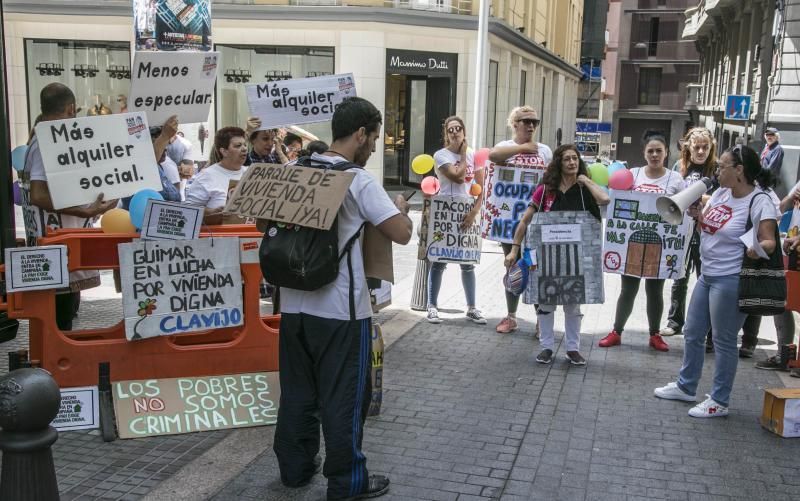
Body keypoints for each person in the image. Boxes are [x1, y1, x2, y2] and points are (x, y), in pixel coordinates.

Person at [272, 97, 412, 500]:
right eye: (373, 140)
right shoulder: (359, 180)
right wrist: (399, 207)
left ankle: (295, 470)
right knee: (344, 398)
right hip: (341, 311)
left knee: (298, 393)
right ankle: (348, 480)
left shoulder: (296, 168)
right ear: (360, 134)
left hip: (295, 306)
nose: (373, 149)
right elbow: (401, 232)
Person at [655, 144, 780, 417]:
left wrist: (757, 249)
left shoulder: (760, 201)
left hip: (731, 279)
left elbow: (769, 240)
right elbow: (710, 228)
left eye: (722, 167)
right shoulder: (722, 193)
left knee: (723, 341)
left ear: (739, 170)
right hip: (708, 275)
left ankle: (719, 401)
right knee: (692, 332)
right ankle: (686, 387)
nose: (717, 171)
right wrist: (698, 216)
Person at [22, 83, 117, 330]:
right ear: (71, 109)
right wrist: (84, 211)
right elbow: (38, 195)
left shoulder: (42, 138)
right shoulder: (46, 143)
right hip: (56, 250)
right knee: (59, 323)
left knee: (62, 319)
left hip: (57, 249)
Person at [504, 144, 609, 365]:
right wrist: (514, 248)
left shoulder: (584, 191)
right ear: (559, 163)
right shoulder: (545, 191)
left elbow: (605, 200)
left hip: (576, 259)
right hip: (546, 258)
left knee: (573, 304)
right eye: (567, 159)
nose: (572, 163)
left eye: (575, 159)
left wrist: (587, 180)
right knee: (546, 303)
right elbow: (525, 220)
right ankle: (546, 347)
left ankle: (573, 348)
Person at [599, 132, 684, 352]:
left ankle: (655, 334)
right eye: (650, 151)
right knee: (628, 290)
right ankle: (616, 332)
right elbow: (617, 201)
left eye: (659, 150)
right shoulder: (632, 175)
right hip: (632, 243)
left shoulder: (675, 180)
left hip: (660, 245)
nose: (655, 155)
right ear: (644, 153)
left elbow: (683, 211)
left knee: (655, 291)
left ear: (666, 153)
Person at [487, 106, 553, 334]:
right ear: (514, 124)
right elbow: (493, 156)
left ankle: (540, 319)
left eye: (535, 121)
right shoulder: (506, 147)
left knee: (535, 267)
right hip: (509, 220)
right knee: (512, 265)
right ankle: (511, 316)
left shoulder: (544, 150)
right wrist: (524, 148)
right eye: (526, 121)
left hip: (535, 218)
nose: (531, 125)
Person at [661, 128, 718, 352]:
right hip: (682, 231)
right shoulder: (679, 168)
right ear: (689, 148)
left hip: (707, 233)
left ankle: (712, 332)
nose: (701, 151)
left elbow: (720, 198)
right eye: (697, 147)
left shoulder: (716, 170)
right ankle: (675, 322)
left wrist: (695, 196)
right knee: (679, 277)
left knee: (707, 281)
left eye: (706, 147)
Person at [426, 116, 486, 325]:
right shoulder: (441, 155)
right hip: (445, 215)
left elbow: (481, 189)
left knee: (467, 264)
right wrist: (462, 153)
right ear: (446, 134)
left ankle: (472, 307)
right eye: (450, 129)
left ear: (464, 131)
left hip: (467, 214)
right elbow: (459, 177)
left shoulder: (474, 155)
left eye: (458, 128)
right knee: (438, 262)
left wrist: (473, 213)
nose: (454, 132)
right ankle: (431, 306)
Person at [742, 177, 800, 367]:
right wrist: (791, 197)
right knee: (785, 302)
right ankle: (784, 355)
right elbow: (780, 209)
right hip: (792, 249)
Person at [185, 127, 248, 224]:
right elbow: (188, 211)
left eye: (245, 145)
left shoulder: (252, 172)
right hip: (221, 236)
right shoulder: (207, 175)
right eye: (238, 146)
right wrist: (212, 213)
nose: (244, 149)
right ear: (224, 151)